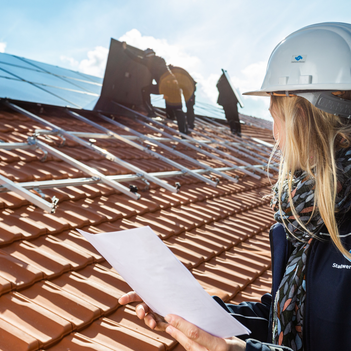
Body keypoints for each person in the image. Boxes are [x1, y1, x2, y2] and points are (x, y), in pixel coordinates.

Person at [119, 22, 351, 351]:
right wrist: (195, 315)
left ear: (300, 118)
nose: (273, 134)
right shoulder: (302, 217)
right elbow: (283, 316)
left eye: (275, 117)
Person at [122, 42, 188, 134]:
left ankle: (151, 113)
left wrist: (125, 49)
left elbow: (136, 59)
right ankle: (184, 132)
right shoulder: (161, 60)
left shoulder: (150, 62)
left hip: (165, 87)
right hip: (175, 86)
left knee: (144, 90)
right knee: (178, 109)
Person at [168, 64, 197, 130]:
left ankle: (190, 124)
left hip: (190, 88)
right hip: (186, 87)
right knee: (188, 106)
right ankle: (189, 123)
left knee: (189, 106)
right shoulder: (175, 70)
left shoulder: (174, 72)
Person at [216, 71, 242, 137]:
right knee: (233, 117)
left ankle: (234, 130)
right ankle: (236, 130)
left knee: (231, 117)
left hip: (228, 103)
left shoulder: (222, 83)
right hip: (229, 102)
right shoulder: (224, 84)